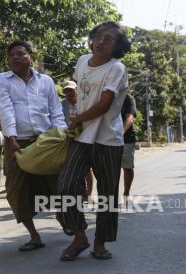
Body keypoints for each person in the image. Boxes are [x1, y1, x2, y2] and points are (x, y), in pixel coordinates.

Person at [57, 21, 131, 261]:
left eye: (109, 39)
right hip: (82, 136)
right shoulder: (81, 61)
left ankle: (100, 243)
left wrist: (77, 119)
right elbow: (81, 92)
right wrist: (76, 118)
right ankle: (80, 236)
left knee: (107, 194)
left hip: (108, 139)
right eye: (99, 36)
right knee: (66, 185)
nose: (101, 41)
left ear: (117, 46)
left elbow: (105, 104)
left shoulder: (116, 68)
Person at [0, 40, 67, 251]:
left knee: (60, 184)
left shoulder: (46, 81)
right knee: (17, 189)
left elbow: (56, 110)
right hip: (17, 142)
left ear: (31, 56)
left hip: (46, 140)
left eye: (21, 53)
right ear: (7, 60)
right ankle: (34, 235)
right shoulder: (1, 80)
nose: (16, 57)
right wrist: (11, 138)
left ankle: (64, 217)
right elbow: (5, 109)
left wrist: (60, 135)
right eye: (11, 55)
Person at [61, 81, 95, 202]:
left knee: (86, 167)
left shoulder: (84, 103)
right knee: (68, 166)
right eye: (66, 91)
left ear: (77, 90)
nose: (69, 93)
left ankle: (88, 193)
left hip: (84, 137)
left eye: (71, 90)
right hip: (67, 138)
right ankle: (74, 192)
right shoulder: (61, 105)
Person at [121, 93, 136, 198]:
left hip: (126, 139)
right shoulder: (108, 96)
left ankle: (126, 193)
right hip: (108, 138)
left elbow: (130, 118)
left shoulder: (128, 98)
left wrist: (120, 133)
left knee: (127, 167)